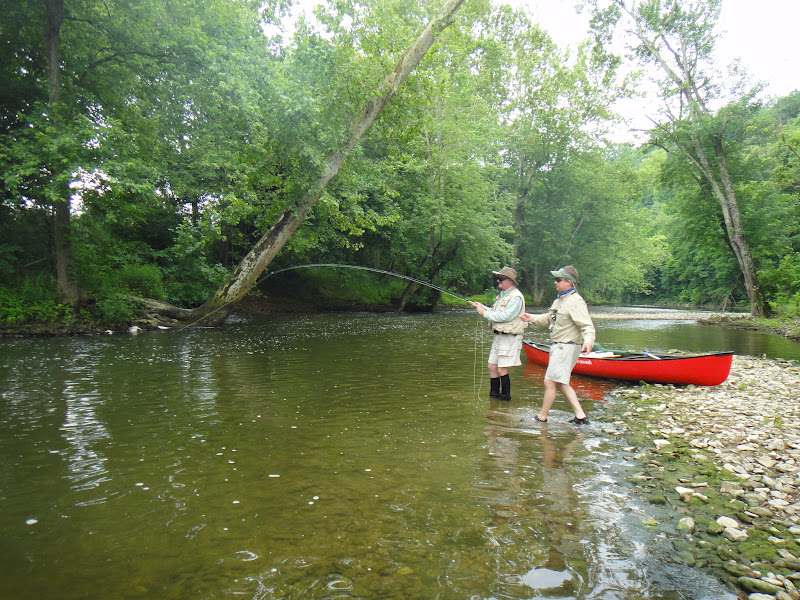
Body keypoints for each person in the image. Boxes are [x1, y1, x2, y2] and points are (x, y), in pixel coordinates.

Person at [521, 266, 595, 424]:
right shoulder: (559, 300)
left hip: (567, 347)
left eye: (558, 280)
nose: (555, 282)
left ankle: (541, 417)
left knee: (550, 382)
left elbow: (587, 326)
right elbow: (549, 319)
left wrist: (588, 341)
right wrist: (531, 318)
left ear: (569, 282)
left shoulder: (576, 302)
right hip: (559, 347)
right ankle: (580, 416)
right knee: (561, 383)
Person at [471, 266, 526, 401]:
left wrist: (484, 314)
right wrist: (482, 307)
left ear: (510, 281)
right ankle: (494, 398)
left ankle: (505, 398)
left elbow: (505, 316)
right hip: (499, 336)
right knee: (492, 366)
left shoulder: (516, 297)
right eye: (498, 279)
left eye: (501, 279)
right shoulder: (503, 295)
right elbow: (496, 312)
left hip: (510, 338)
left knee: (502, 369)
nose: (498, 281)